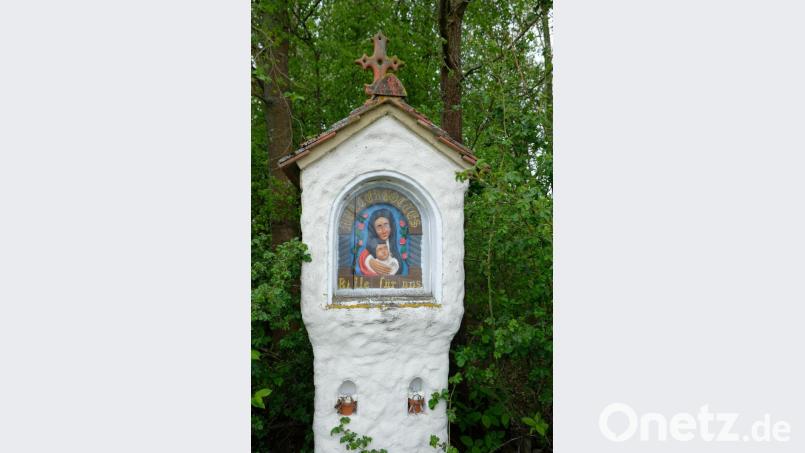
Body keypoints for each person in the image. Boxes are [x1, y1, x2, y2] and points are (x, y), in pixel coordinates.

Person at [357, 208, 404, 276]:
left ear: (391, 227)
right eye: (379, 227)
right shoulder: (372, 247)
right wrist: (369, 261)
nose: (384, 231)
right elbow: (363, 256)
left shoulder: (393, 248)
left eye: (386, 225)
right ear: (374, 229)